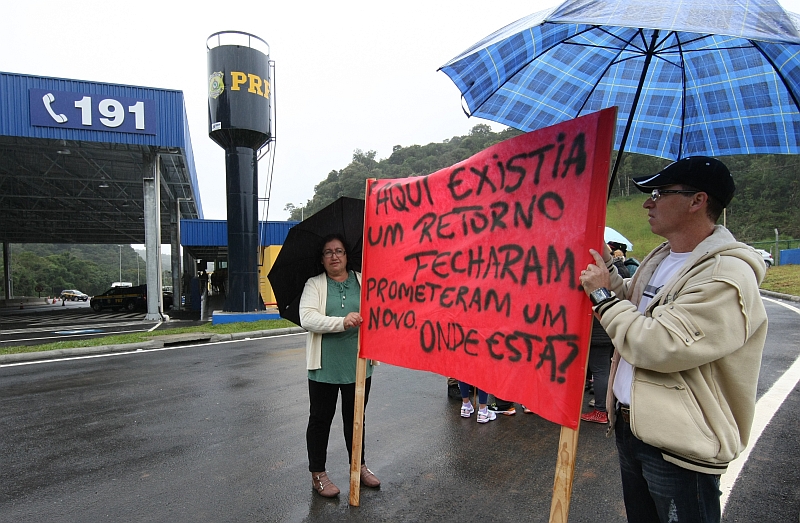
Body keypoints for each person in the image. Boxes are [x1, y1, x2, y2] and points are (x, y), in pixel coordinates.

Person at [579, 156, 767, 522]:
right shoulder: (663, 257)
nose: (648, 204)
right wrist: (605, 266)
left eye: (659, 194)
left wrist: (601, 296)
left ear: (697, 200)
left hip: (680, 445)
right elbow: (632, 303)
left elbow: (658, 345)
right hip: (633, 428)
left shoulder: (724, 275)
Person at [299, 233, 380, 498]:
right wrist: (341, 322)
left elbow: (378, 310)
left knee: (356, 420)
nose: (334, 256)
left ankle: (359, 466)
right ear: (322, 259)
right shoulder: (314, 284)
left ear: (347, 255)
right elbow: (307, 318)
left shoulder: (363, 280)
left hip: (358, 365)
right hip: (325, 366)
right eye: (328, 252)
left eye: (339, 251)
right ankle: (318, 474)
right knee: (320, 420)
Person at [581, 252, 629, 424]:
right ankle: (604, 408)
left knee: (600, 370)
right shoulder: (620, 273)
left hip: (599, 331)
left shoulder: (596, 280)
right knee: (603, 370)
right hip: (606, 330)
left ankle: (601, 409)